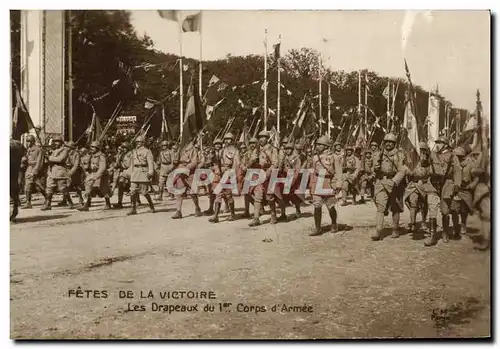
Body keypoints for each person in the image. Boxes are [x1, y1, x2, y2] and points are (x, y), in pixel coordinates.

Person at [372, 133, 407, 240]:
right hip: (382, 182)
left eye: (390, 142)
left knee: (395, 207)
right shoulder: (379, 154)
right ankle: (378, 230)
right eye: (386, 141)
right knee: (380, 207)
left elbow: (402, 170)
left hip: (394, 183)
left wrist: (394, 181)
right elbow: (374, 169)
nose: (388, 144)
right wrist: (376, 167)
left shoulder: (399, 155)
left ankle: (395, 228)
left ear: (394, 144)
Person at [404, 142, 440, 244]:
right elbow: (411, 172)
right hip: (415, 185)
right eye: (420, 150)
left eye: (423, 150)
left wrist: (427, 160)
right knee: (413, 203)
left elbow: (430, 172)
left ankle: (424, 221)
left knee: (425, 205)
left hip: (427, 185)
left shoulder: (430, 160)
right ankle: (413, 223)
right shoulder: (414, 160)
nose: (422, 152)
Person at [309, 135, 342, 236]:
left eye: (320, 145)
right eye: (317, 144)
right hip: (318, 182)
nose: (317, 146)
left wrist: (338, 184)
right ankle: (318, 228)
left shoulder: (334, 157)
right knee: (317, 205)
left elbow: (338, 171)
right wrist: (311, 185)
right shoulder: (315, 158)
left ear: (326, 146)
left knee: (331, 206)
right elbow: (313, 172)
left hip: (329, 182)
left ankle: (334, 224)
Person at [431, 136, 461, 243]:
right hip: (438, 185)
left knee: (453, 210)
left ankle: (456, 230)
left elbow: (457, 171)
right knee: (444, 211)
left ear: (445, 145)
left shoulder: (453, 156)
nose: (437, 145)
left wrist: (457, 185)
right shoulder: (434, 155)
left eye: (439, 143)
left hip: (449, 184)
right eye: (437, 143)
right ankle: (445, 232)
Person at [248, 130, 279, 227]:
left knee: (269, 197)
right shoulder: (256, 149)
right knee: (258, 196)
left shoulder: (272, 149)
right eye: (260, 137)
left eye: (264, 137)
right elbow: (250, 162)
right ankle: (256, 218)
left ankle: (273, 214)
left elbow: (275, 163)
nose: (261, 139)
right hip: (258, 173)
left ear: (267, 138)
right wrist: (252, 160)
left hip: (268, 173)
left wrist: (268, 173)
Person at [209, 133, 240, 223]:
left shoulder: (235, 151)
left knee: (228, 195)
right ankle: (215, 216)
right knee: (218, 194)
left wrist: (232, 175)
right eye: (225, 139)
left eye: (229, 139)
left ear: (232, 140)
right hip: (219, 174)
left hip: (228, 174)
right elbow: (214, 162)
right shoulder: (221, 150)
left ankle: (232, 214)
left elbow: (236, 164)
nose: (227, 141)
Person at [78, 141, 112, 211]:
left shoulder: (101, 156)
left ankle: (108, 204)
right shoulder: (91, 156)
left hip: (101, 175)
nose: (91, 148)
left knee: (104, 189)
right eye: (91, 147)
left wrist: (96, 176)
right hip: (92, 173)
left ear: (98, 148)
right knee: (88, 189)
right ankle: (86, 205)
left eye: (93, 147)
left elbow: (102, 167)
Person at [127, 136, 155, 215]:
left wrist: (150, 172)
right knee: (132, 191)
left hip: (143, 171)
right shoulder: (134, 151)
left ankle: (151, 206)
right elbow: (132, 163)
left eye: (139, 142)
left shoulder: (147, 151)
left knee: (144, 192)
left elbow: (150, 162)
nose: (138, 143)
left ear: (143, 143)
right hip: (135, 172)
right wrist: (130, 172)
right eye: (137, 142)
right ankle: (133, 209)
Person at [450, 147, 474, 240]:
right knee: (454, 210)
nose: (457, 159)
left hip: (466, 189)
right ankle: (456, 229)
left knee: (464, 210)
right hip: (455, 189)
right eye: (456, 157)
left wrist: (470, 186)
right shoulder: (452, 165)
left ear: (463, 157)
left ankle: (463, 224)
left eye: (459, 157)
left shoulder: (470, 164)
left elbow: (475, 178)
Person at [172, 141, 201, 219]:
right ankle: (178, 211)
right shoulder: (180, 149)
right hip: (180, 171)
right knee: (178, 192)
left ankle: (197, 208)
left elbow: (195, 162)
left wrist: (186, 168)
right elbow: (175, 160)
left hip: (190, 173)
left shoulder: (193, 150)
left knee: (193, 193)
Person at [41, 136, 69, 211]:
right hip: (51, 171)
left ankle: (70, 202)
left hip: (60, 171)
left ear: (61, 142)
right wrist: (46, 156)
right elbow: (47, 162)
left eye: (57, 141)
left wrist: (49, 157)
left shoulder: (65, 149)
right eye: (54, 141)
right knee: (49, 188)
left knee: (62, 188)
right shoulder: (52, 150)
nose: (56, 143)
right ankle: (48, 204)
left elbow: (61, 159)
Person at [470, 148, 490, 250]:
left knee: (486, 217)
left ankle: (486, 241)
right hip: (485, 190)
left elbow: (478, 171)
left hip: (486, 191)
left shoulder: (486, 155)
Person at [22, 135, 46, 209]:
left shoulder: (39, 149)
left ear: (32, 141)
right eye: (27, 141)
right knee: (27, 186)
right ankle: (28, 203)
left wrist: (34, 172)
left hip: (37, 169)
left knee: (40, 187)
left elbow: (39, 162)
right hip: (29, 167)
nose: (28, 143)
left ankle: (48, 198)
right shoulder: (28, 149)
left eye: (29, 141)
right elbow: (27, 158)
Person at [112, 142, 132, 209]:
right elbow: (117, 164)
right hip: (123, 171)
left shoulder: (131, 154)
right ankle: (119, 202)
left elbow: (128, 164)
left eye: (125, 148)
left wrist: (121, 164)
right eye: (123, 148)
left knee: (132, 187)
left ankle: (135, 202)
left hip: (130, 171)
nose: (123, 149)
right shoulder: (122, 154)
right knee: (120, 186)